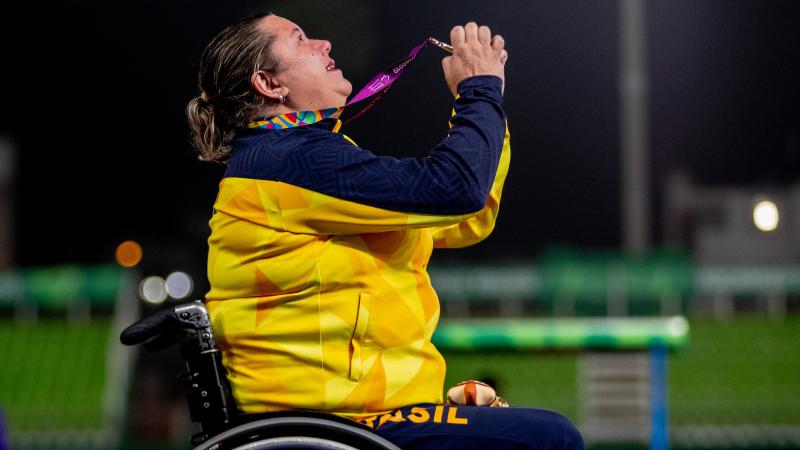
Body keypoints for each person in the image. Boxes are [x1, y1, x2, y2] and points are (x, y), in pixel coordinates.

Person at [181, 12, 583, 449]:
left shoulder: (298, 159)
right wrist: (479, 91)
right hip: (339, 422)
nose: (324, 43)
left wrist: (488, 104)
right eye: (300, 40)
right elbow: (458, 190)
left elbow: (465, 217)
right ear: (269, 84)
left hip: (361, 414)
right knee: (550, 438)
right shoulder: (291, 163)